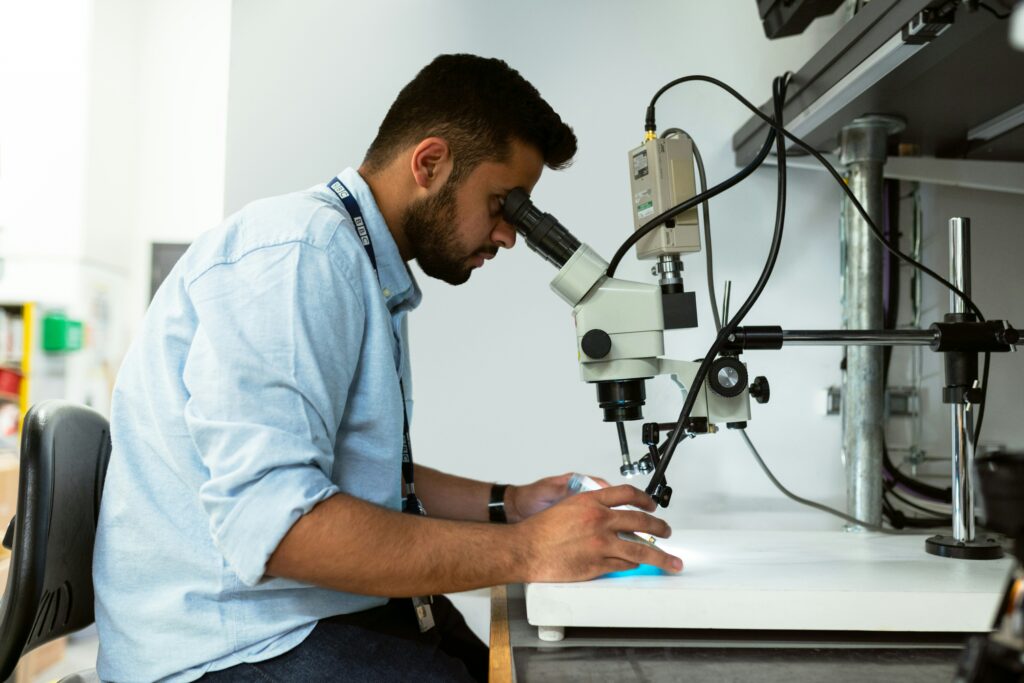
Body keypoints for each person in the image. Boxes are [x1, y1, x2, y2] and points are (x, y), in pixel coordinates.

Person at [93, 53, 682, 683]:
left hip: (294, 617)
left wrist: (508, 505)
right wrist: (531, 549)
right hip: (226, 651)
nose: (510, 235)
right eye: (502, 203)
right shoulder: (298, 256)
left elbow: (353, 471)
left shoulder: (357, 262)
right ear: (430, 164)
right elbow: (283, 528)